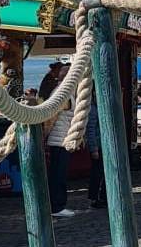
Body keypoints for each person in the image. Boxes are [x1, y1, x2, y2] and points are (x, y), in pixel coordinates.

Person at [40, 63, 76, 218]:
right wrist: (45, 135)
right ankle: (57, 206)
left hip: (61, 138)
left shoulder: (64, 91)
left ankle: (56, 204)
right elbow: (52, 118)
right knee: (58, 174)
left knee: (58, 173)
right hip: (59, 140)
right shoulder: (62, 93)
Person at [85, 95, 106, 209]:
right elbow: (91, 129)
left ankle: (102, 197)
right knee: (97, 173)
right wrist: (94, 148)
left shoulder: (98, 107)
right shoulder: (93, 109)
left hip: (102, 144)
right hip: (98, 145)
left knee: (101, 172)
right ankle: (95, 197)